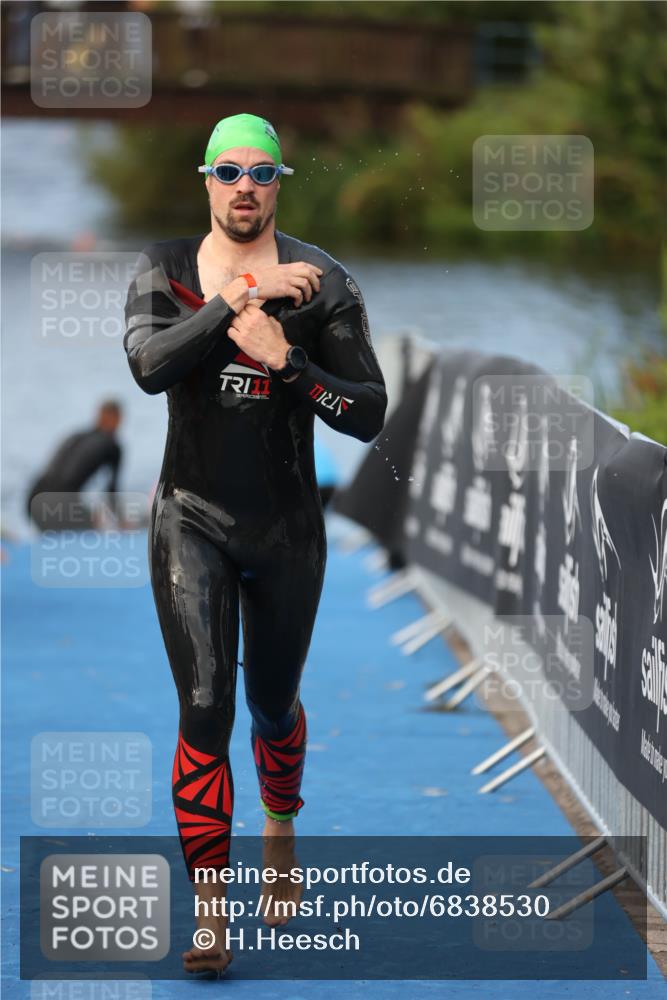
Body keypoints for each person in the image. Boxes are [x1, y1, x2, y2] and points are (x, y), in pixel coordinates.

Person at [123, 113, 387, 976]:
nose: (246, 186)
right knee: (205, 707)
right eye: (230, 170)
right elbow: (151, 366)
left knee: (272, 706)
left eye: (262, 173)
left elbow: (370, 414)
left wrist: (288, 361)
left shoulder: (324, 284)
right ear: (206, 179)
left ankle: (280, 825)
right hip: (188, 518)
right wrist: (237, 299)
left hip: (285, 531)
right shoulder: (162, 269)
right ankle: (210, 915)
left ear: (280, 183)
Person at [26, 400, 123, 531]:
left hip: (33, 500)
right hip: (59, 506)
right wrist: (121, 522)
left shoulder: (76, 436)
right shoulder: (112, 445)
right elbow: (111, 492)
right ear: (117, 419)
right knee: (97, 526)